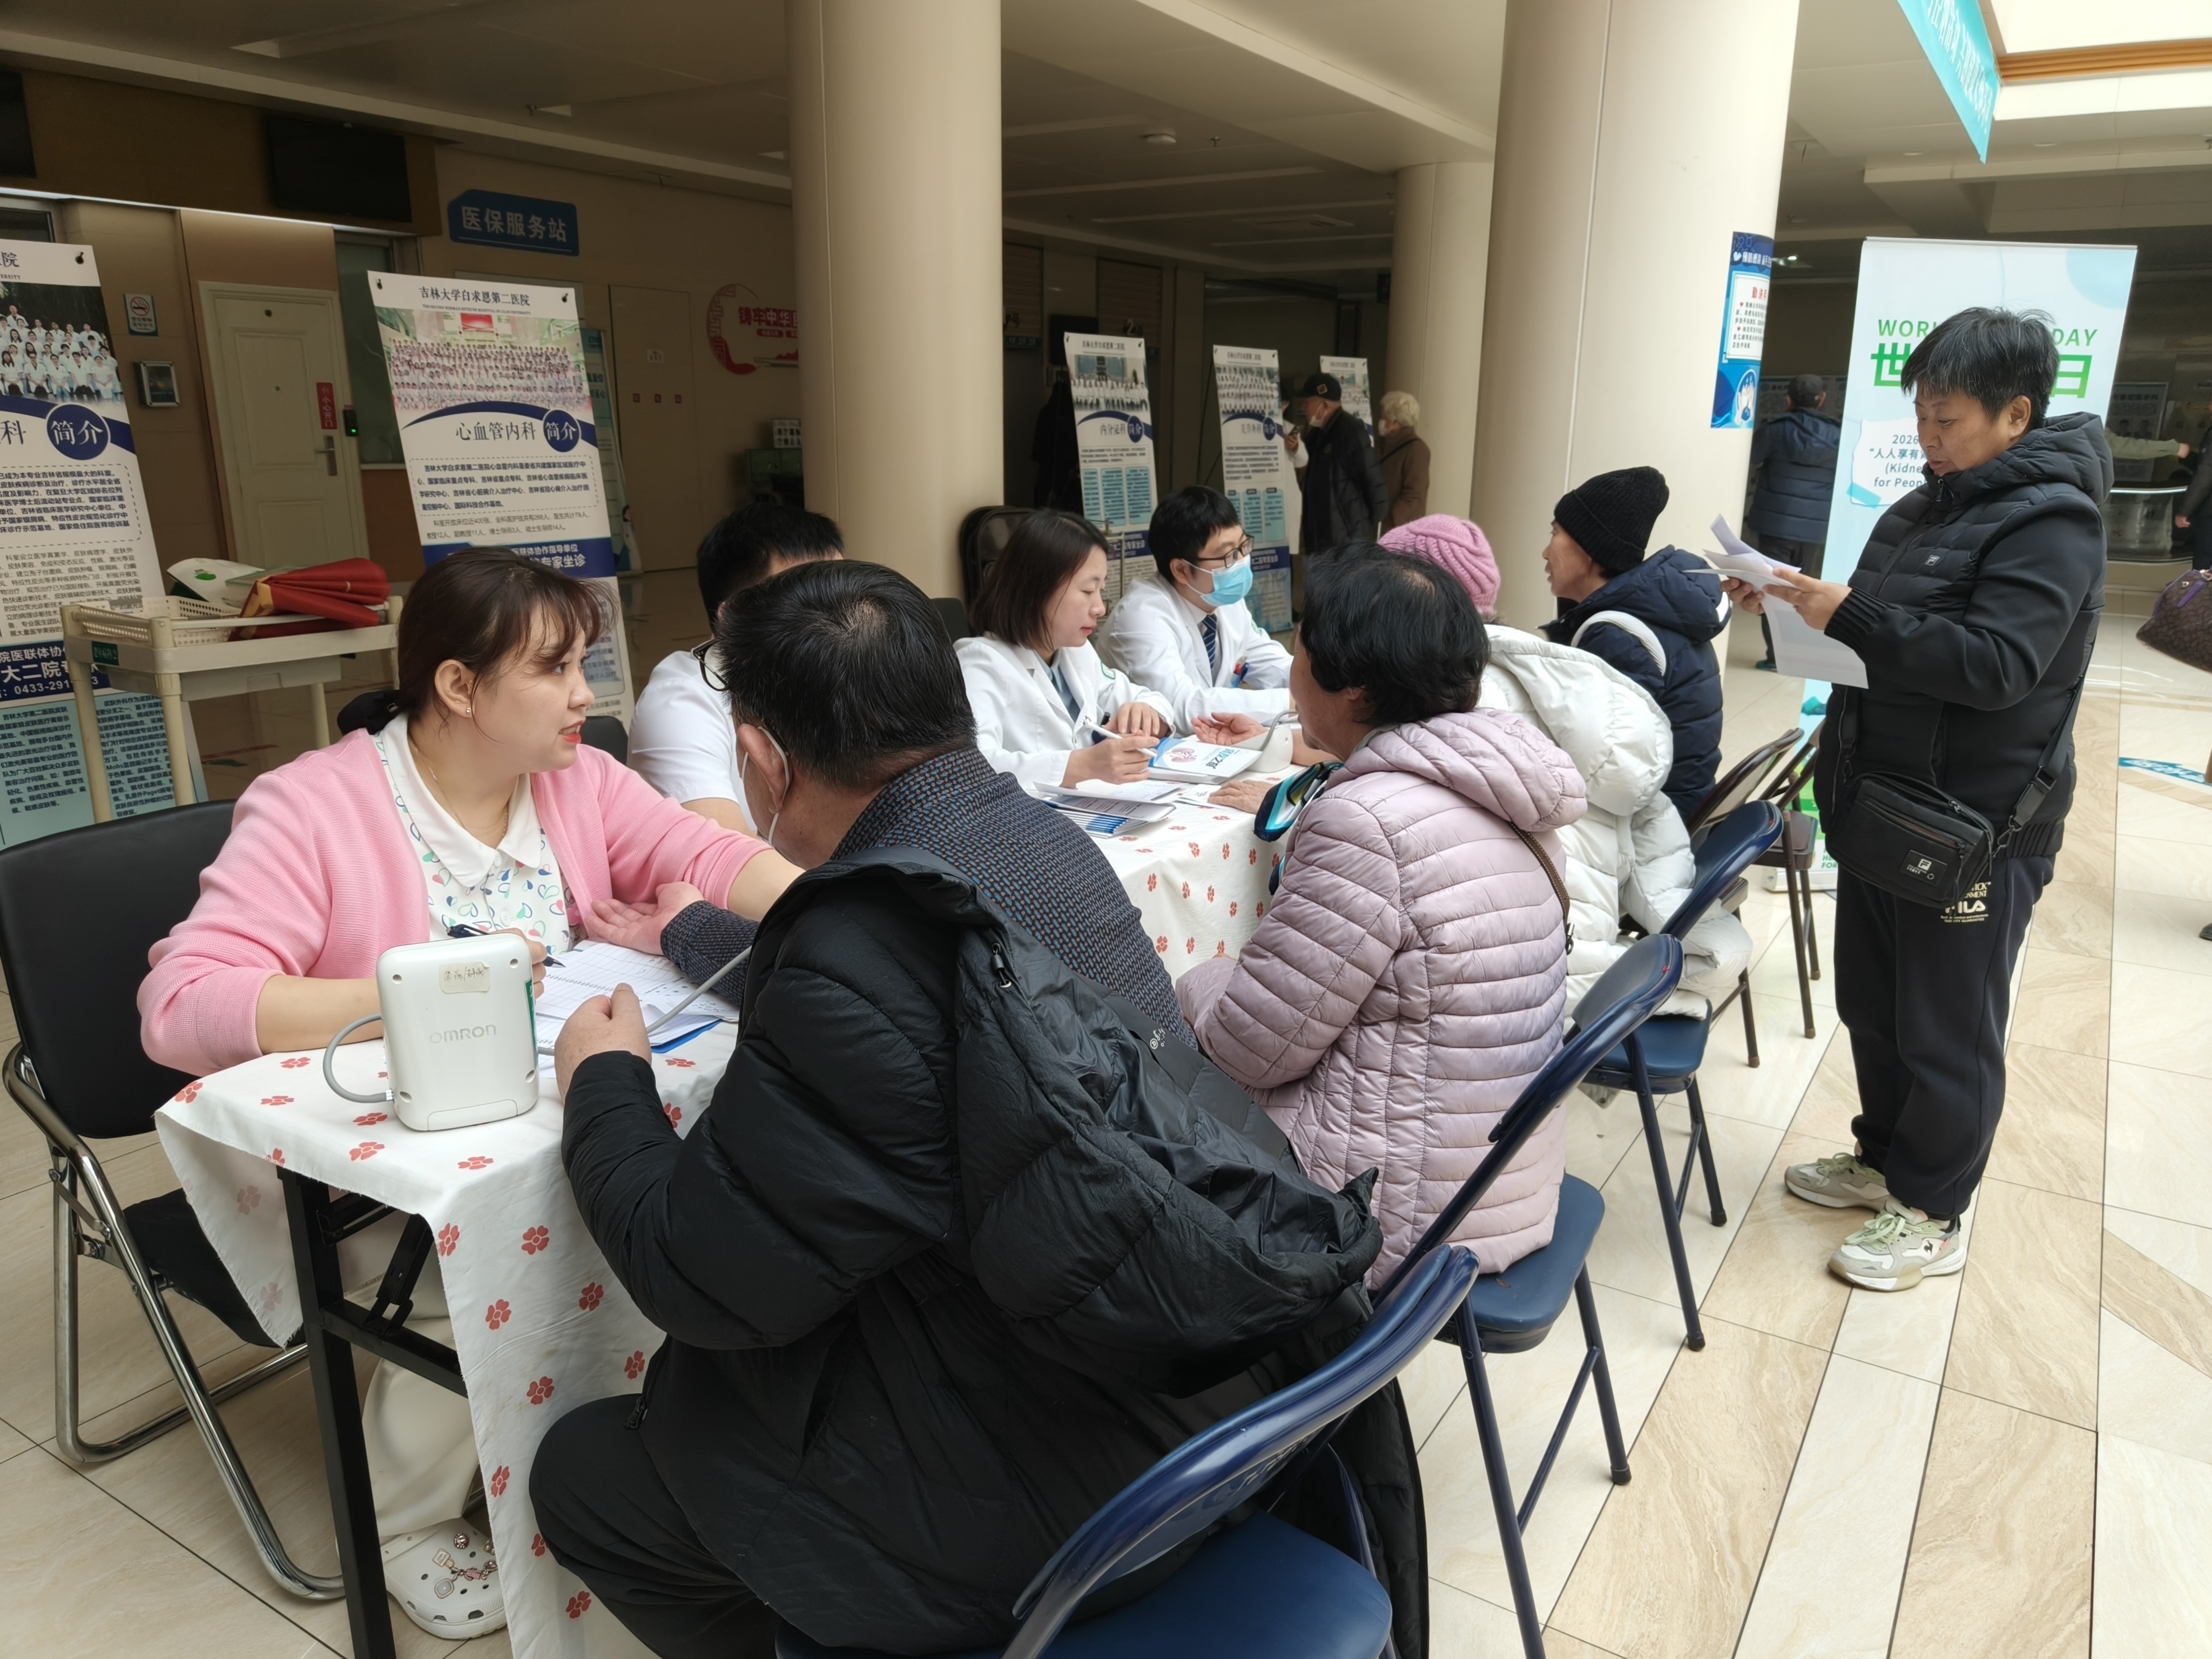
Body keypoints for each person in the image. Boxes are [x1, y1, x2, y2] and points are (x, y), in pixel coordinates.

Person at [534, 560, 1421, 1658]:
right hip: (1223, 1411)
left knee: (590, 1473)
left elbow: (700, 1278)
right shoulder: (1044, 843)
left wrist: (605, 1083)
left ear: (761, 760)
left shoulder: (855, 952)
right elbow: (919, 995)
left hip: (1081, 1504)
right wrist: (696, 932)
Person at [139, 548, 795, 1638]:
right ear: (457, 685)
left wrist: (834, 912)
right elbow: (181, 1004)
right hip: (376, 1163)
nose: (585, 694)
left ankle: (607, 1423)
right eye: (554, 669)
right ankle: (401, 1523)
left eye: (583, 664)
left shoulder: (576, 780)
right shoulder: (315, 807)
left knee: (682, 1180)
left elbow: (705, 852)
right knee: (476, 1259)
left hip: (532, 1120)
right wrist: (431, 990)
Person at [1725, 306, 2107, 1292]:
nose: (1929, 438)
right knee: (1877, 1004)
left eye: (1948, 420)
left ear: (2016, 414)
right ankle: (1884, 1158)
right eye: (1922, 417)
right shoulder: (1920, 509)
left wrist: (1850, 614)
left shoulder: (2053, 522)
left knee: (1948, 1027)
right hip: (1885, 799)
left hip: (1977, 823)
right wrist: (1794, 604)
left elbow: (1997, 666)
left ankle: (1933, 1209)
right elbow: (1877, 636)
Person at [1178, 545, 1583, 1282]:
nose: (1292, 668)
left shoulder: (1367, 822)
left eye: (1300, 650)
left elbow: (1249, 1049)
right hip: (1500, 1186)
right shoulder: (1502, 785)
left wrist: (1198, 975)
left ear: (1354, 692)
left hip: (1388, 1219)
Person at [1376, 516, 1752, 1015]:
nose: (1544, 550)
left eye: (1556, 532)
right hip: (1592, 909)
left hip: (1527, 981)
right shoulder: (1550, 676)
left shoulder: (1458, 706)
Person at [957, 508, 1256, 788]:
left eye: (1100, 591)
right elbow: (972, 767)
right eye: (1088, 591)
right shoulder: (980, 663)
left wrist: (1148, 713)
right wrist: (1082, 765)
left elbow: (1153, 700)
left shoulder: (1075, 653)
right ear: (1037, 589)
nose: (1100, 608)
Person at [629, 501, 844, 831]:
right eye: (810, 600)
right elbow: (726, 854)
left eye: (846, 588)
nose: (842, 613)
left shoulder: (849, 669)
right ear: (734, 616)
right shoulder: (682, 701)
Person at [1540, 465, 1725, 819]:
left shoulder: (1618, 636)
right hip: (1678, 803)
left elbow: (1605, 766)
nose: (1545, 553)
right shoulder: (1653, 612)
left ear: (1589, 549)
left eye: (1555, 534)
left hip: (1653, 823)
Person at [1094, 484, 1293, 725]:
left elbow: (1270, 661)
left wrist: (1321, 684)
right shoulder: (1142, 615)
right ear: (1181, 570)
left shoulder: (1224, 601)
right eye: (1228, 556)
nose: (1242, 561)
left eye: (1243, 546)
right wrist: (1291, 702)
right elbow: (1181, 706)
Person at [1746, 373, 1842, 670]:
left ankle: (1776, 658)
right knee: (1805, 591)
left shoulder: (1776, 430)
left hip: (1776, 525)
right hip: (1813, 528)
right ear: (1822, 399)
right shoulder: (1839, 434)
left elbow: (1749, 457)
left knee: (1772, 590)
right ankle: (1798, 656)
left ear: (1788, 399)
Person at [1284, 371, 1387, 551]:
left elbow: (1374, 486)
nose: (1303, 408)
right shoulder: (1317, 435)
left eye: (1307, 402)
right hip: (1320, 541)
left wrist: (1362, 532)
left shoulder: (1350, 432)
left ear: (1323, 405)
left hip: (1345, 542)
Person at [1375, 389, 1431, 528]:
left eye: (1384, 417)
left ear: (1395, 422)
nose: (1381, 421)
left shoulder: (1416, 449)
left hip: (1398, 528)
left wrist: (1392, 519)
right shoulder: (1381, 444)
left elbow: (1414, 492)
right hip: (1380, 524)